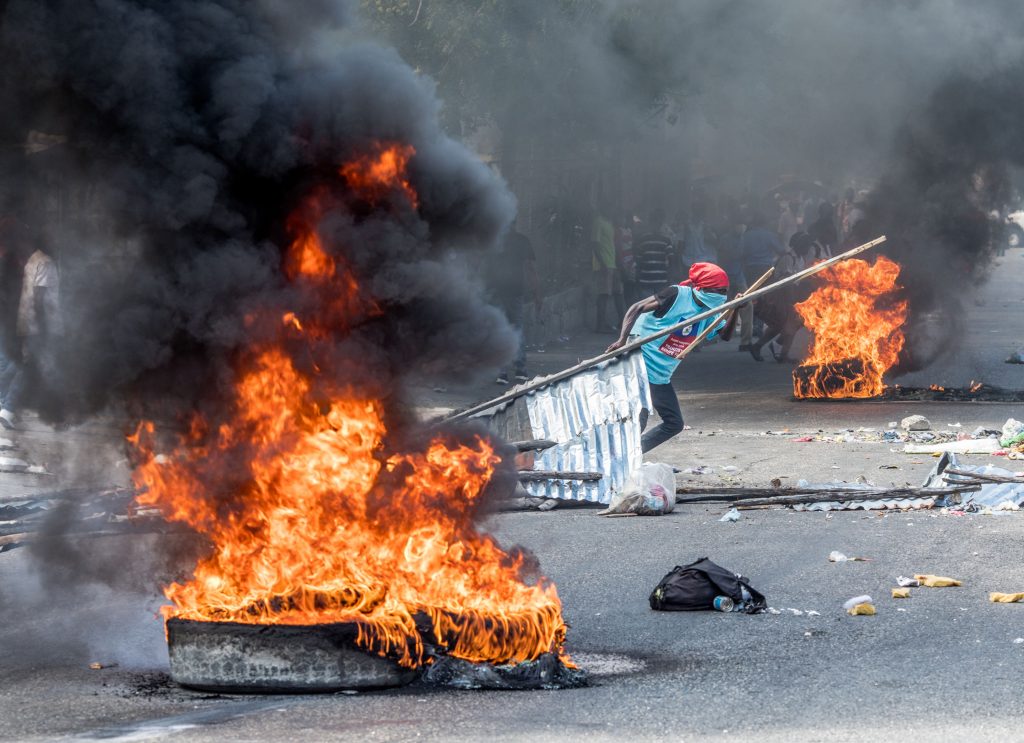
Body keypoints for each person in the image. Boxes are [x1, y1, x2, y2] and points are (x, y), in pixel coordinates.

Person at [606, 262, 730, 453]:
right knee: (640, 415)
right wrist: (622, 339)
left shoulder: (713, 312)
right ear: (703, 288)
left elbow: (726, 335)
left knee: (674, 423)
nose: (722, 295)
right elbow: (636, 308)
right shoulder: (677, 294)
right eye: (718, 290)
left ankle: (631, 454)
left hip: (661, 373)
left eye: (724, 291)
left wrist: (737, 309)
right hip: (642, 360)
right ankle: (621, 459)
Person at [0, 225, 61, 429]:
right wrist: (42, 329)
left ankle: (5, 405)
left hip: (25, 322)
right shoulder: (44, 262)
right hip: (37, 325)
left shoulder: (31, 262)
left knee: (16, 363)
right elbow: (40, 298)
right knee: (28, 366)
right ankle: (7, 409)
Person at [748, 232, 815, 363]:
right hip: (780, 295)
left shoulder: (800, 258)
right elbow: (785, 282)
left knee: (781, 325)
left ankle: (759, 347)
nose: (807, 248)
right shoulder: (788, 258)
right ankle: (782, 353)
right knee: (792, 323)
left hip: (789, 293)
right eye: (805, 245)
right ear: (798, 245)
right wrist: (792, 301)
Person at [486, 226, 541, 385]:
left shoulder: (493, 237)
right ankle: (520, 370)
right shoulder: (522, 240)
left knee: (500, 330)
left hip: (496, 290)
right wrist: (538, 293)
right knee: (516, 328)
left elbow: (482, 264)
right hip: (515, 291)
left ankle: (501, 373)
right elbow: (531, 268)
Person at [714, 202, 754, 352]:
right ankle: (719, 334)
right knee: (724, 307)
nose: (741, 227)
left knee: (747, 306)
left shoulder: (744, 238)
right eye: (739, 224)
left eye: (742, 224)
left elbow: (744, 257)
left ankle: (745, 341)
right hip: (725, 278)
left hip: (739, 276)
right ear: (733, 225)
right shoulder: (725, 239)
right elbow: (723, 258)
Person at [740, 212, 785, 338]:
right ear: (765, 223)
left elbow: (741, 252)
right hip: (765, 269)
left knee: (752, 295)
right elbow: (781, 250)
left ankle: (754, 324)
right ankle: (759, 326)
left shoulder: (746, 236)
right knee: (763, 297)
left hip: (750, 268)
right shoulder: (769, 235)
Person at [591, 202, 623, 333]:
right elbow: (595, 244)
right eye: (609, 207)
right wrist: (603, 264)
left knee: (618, 292)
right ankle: (600, 325)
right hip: (603, 265)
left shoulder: (610, 223)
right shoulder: (598, 222)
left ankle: (622, 321)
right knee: (603, 295)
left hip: (612, 264)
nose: (612, 210)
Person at [633, 209, 676, 298]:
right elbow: (671, 261)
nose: (657, 224)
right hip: (654, 281)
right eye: (655, 221)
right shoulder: (664, 240)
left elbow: (638, 261)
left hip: (653, 281)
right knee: (659, 308)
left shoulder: (643, 239)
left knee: (648, 308)